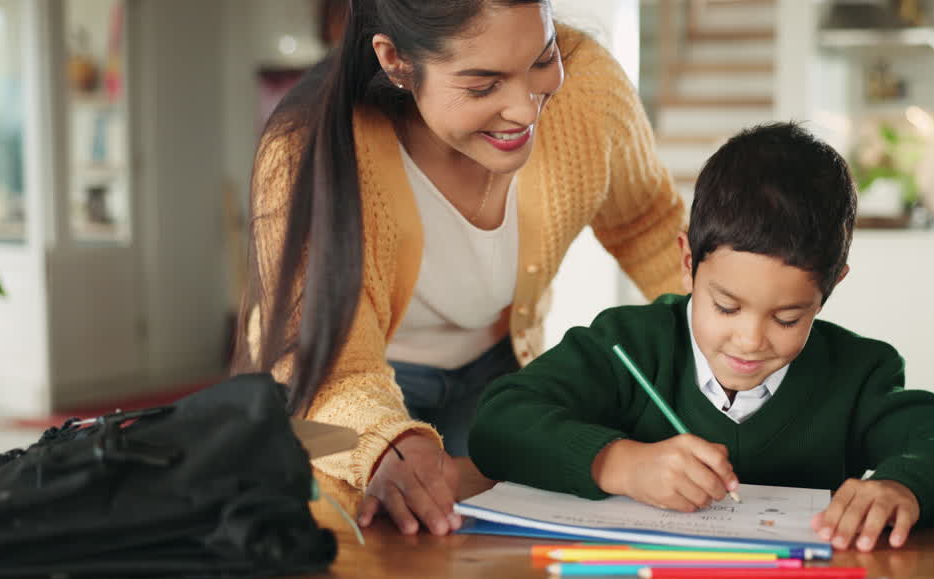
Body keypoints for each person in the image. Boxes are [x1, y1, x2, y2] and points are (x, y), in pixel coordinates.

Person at [237, 0, 686, 536]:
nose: (524, 108)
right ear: (396, 61)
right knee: (375, 571)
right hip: (355, 394)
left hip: (498, 371)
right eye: (482, 86)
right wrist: (387, 441)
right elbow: (330, 364)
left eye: (542, 59)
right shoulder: (305, 151)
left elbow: (646, 224)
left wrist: (720, 339)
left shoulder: (587, 86)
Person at [468, 122, 934, 552]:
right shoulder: (628, 345)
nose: (750, 340)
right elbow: (498, 422)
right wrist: (622, 463)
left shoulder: (857, 373)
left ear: (830, 287)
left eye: (788, 318)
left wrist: (900, 485)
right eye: (725, 306)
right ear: (686, 263)